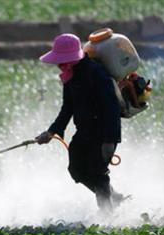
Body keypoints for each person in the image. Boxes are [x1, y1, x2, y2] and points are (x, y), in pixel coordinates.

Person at [36, 33, 125, 212]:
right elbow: (67, 107)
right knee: (76, 169)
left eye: (63, 61)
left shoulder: (97, 74)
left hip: (103, 132)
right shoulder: (71, 76)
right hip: (84, 131)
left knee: (97, 172)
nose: (60, 65)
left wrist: (110, 140)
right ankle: (113, 196)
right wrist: (52, 132)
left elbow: (111, 109)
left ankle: (107, 216)